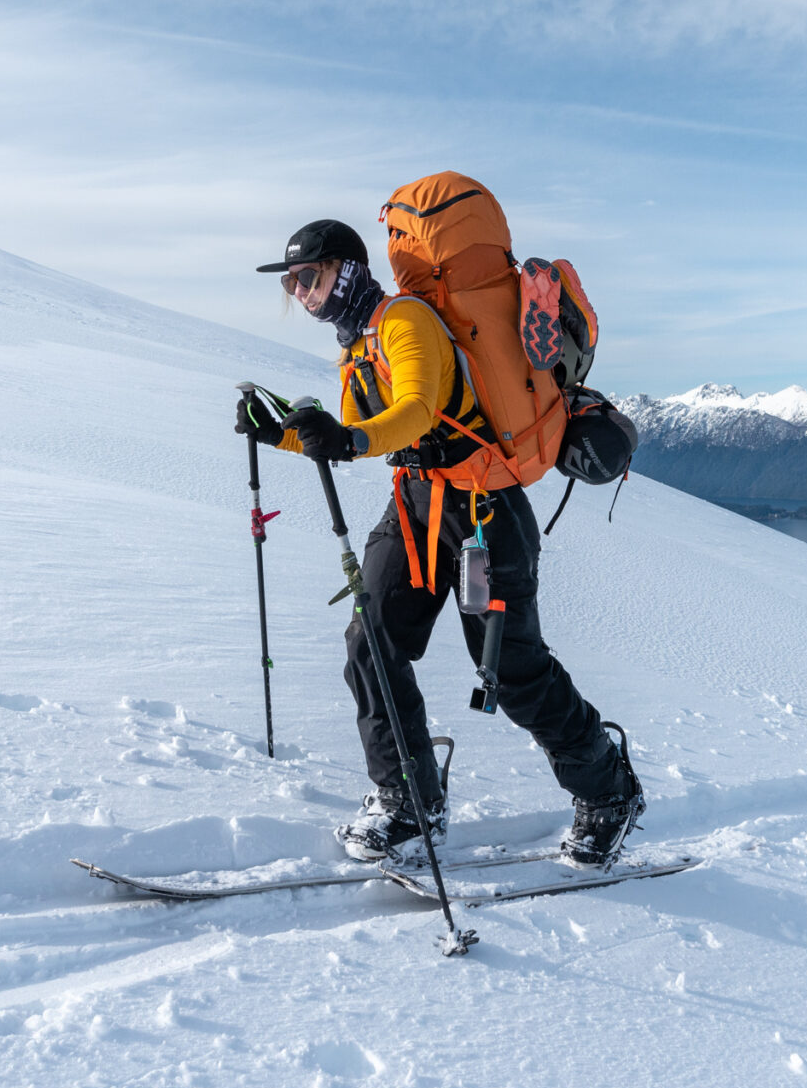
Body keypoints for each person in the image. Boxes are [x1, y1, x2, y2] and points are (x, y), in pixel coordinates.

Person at [238, 217, 641, 865]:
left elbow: (417, 411)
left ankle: (609, 793)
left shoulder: (404, 322)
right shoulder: (359, 343)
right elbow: (363, 430)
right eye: (292, 286)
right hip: (417, 506)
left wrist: (350, 438)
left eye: (307, 279)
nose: (301, 295)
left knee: (512, 673)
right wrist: (282, 431)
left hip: (484, 514)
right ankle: (407, 801)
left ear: (343, 270)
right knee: (371, 642)